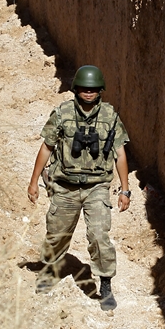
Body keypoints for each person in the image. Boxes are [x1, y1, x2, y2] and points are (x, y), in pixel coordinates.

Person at [27, 65, 130, 311]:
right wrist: (33, 182)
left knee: (98, 235)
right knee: (57, 233)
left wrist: (125, 190)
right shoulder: (62, 113)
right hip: (65, 186)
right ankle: (50, 271)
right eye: (84, 88)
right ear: (75, 89)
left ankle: (105, 284)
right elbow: (46, 147)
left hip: (97, 187)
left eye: (93, 89)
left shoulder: (110, 117)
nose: (88, 93)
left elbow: (120, 155)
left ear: (100, 91)